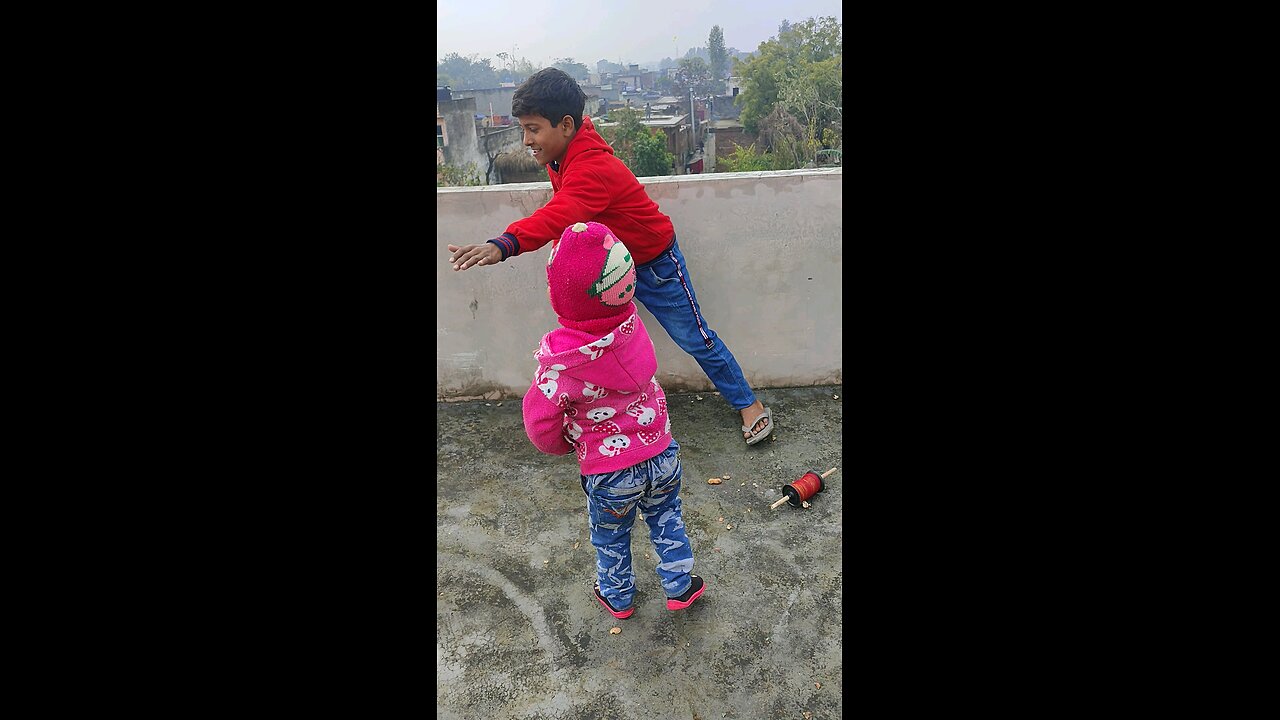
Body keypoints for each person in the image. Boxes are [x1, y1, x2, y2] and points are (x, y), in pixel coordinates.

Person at [447, 67, 774, 446]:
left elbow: (560, 213)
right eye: (524, 129)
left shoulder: (592, 168)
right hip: (609, 270)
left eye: (533, 129)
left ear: (565, 124)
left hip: (656, 267)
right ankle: (604, 410)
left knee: (695, 338)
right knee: (599, 345)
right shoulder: (562, 157)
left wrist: (504, 243)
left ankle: (749, 405)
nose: (526, 140)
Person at [523, 220, 705, 618]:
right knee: (666, 518)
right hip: (662, 454)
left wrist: (566, 443)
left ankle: (618, 595)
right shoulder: (631, 327)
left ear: (560, 294)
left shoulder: (560, 365)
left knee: (610, 536)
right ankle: (681, 585)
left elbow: (541, 427)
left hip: (610, 472)